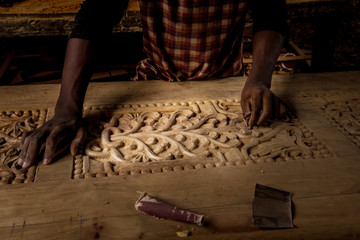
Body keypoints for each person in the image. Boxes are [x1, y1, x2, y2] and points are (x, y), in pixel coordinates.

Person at [18, 0, 288, 168]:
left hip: (228, 87)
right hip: (157, 80)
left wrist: (260, 80)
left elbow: (271, 15)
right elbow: (95, 16)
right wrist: (67, 107)